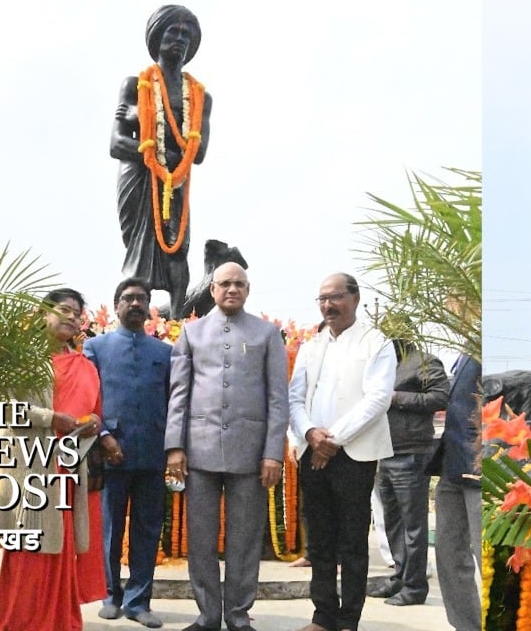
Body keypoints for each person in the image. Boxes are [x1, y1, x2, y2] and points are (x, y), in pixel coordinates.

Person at [165, 262, 288, 631]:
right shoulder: (192, 333)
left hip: (251, 455)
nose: (232, 289)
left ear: (248, 289)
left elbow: (278, 399)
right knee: (201, 539)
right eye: (225, 284)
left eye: (239, 284)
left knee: (245, 540)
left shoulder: (267, 334)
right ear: (213, 290)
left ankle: (237, 615)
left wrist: (273, 452)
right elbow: (178, 395)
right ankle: (206, 616)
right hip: (198, 453)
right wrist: (175, 447)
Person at [0, 288, 108, 631]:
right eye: (65, 309)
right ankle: (18, 621)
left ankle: (56, 621)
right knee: (31, 547)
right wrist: (50, 418)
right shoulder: (20, 360)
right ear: (44, 313)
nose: (72, 317)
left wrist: (93, 425)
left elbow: (92, 414)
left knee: (60, 546)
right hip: (31, 467)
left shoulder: (84, 365)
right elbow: (6, 409)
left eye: (77, 313)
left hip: (69, 466)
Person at [288, 273, 396, 631]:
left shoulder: (375, 342)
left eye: (335, 297)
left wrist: (331, 440)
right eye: (322, 299)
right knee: (319, 539)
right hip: (312, 451)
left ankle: (348, 620)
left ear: (355, 298)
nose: (328, 305)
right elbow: (295, 397)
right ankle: (323, 617)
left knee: (351, 543)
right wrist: (309, 433)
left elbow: (377, 399)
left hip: (354, 456)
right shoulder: (311, 345)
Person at [111, 4, 213, 317]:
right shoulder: (135, 84)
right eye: (173, 31)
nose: (180, 38)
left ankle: (178, 320)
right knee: (138, 245)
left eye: (187, 34)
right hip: (138, 177)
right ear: (158, 36)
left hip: (177, 178)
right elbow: (116, 144)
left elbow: (198, 153)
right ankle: (133, 314)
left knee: (177, 246)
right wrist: (156, 152)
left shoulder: (198, 97)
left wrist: (143, 119)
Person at [84, 277, 170, 628]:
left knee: (148, 530)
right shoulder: (96, 348)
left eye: (141, 299)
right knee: (109, 529)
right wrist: (103, 435)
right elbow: (88, 401)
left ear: (149, 308)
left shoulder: (165, 352)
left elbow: (176, 402)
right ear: (116, 305)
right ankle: (110, 594)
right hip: (110, 453)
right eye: (128, 298)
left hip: (152, 453)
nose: (135, 304)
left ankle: (138, 601)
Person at [367, 337, 450, 606]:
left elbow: (441, 396)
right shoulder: (382, 365)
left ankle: (415, 587)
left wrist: (397, 397)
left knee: (413, 525)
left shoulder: (424, 362)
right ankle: (400, 577)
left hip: (411, 452)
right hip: (384, 451)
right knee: (392, 522)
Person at [426, 351, 482, 631]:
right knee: (448, 552)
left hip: (479, 468)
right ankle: (465, 625)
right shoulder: (465, 352)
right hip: (452, 465)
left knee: (485, 554)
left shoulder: (484, 348)